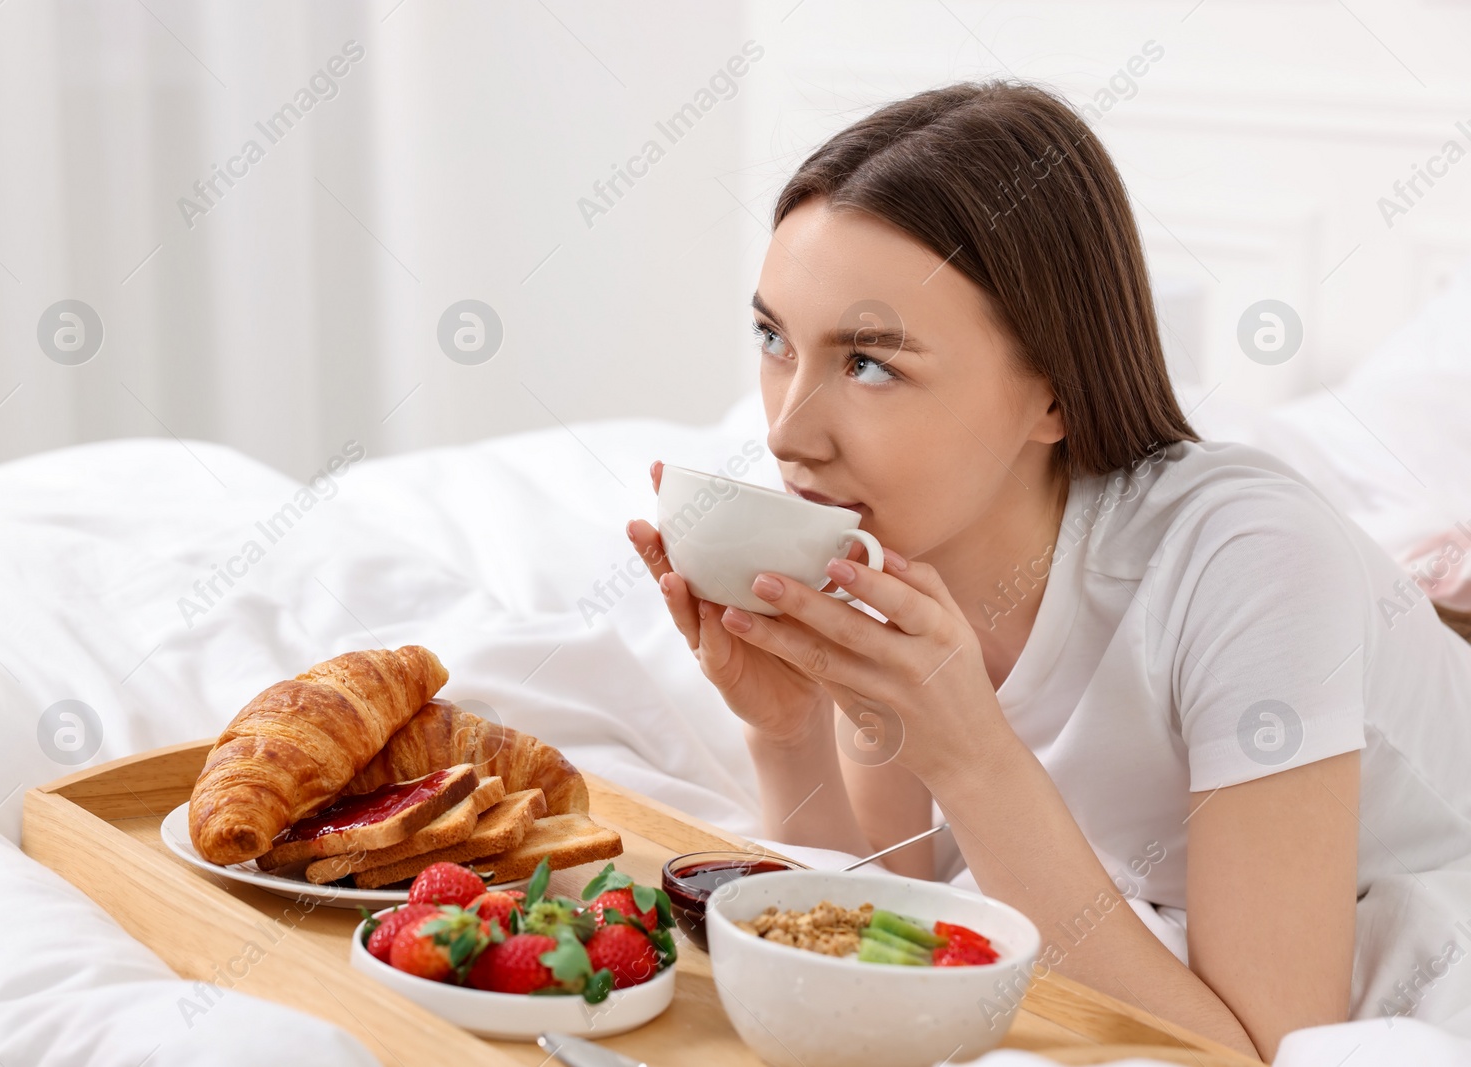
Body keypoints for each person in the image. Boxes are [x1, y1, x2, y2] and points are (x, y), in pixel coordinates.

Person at [626, 81, 1471, 1062]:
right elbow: (881, 881)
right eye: (775, 339)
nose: (785, 430)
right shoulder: (894, 543)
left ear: (1054, 394)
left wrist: (971, 753)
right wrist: (786, 730)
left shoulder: (1252, 564)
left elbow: (1257, 1050)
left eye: (867, 363)